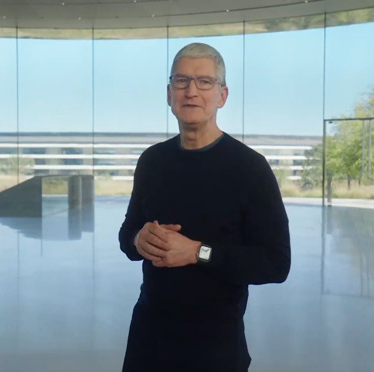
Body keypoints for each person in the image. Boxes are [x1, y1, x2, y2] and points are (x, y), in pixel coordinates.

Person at [119, 42, 291, 372]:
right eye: (181, 81)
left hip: (215, 347)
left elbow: (275, 263)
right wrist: (137, 240)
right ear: (169, 94)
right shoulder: (152, 161)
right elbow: (128, 234)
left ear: (222, 95)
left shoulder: (250, 168)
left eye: (204, 82)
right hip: (148, 340)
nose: (191, 91)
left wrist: (198, 251)